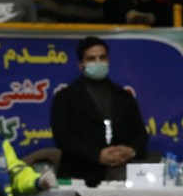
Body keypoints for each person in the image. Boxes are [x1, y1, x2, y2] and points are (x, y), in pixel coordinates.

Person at [50, 36, 151, 186]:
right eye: (91, 59)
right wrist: (97, 154)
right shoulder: (65, 97)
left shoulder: (124, 96)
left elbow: (140, 134)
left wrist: (130, 151)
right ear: (81, 64)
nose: (98, 62)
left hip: (120, 178)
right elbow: (62, 138)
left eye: (102, 57)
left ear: (108, 60)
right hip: (79, 177)